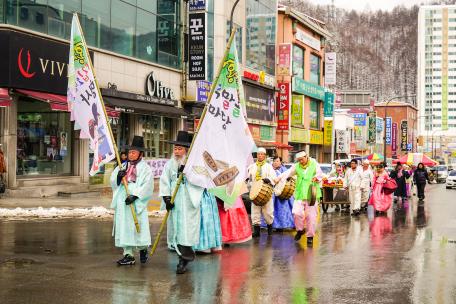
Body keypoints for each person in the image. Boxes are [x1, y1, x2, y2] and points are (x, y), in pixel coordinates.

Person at [159, 131, 205, 274]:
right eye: (175, 149)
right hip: (175, 199)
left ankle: (184, 258)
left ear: (186, 150)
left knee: (186, 230)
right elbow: (164, 181)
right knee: (177, 229)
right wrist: (166, 198)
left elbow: (200, 181)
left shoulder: (194, 164)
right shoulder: (169, 164)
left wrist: (187, 175)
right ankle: (183, 256)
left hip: (188, 200)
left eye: (180, 149)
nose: (177, 152)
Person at [110, 136, 153, 266]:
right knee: (124, 226)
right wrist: (118, 177)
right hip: (123, 198)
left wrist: (135, 195)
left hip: (136, 200)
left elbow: (148, 185)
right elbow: (113, 181)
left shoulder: (145, 168)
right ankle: (128, 254)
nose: (130, 154)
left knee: (138, 225)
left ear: (140, 154)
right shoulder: (122, 166)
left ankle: (142, 248)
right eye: (129, 152)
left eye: (134, 152)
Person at [276, 151, 323, 245]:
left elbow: (320, 174)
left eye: (302, 159)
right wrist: (279, 178)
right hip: (300, 194)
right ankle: (300, 230)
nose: (301, 161)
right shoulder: (296, 166)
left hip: (311, 194)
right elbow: (288, 173)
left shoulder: (314, 163)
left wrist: (316, 178)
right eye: (299, 160)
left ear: (306, 156)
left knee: (311, 216)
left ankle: (310, 236)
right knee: (296, 213)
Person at [247, 147, 276, 237]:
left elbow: (274, 178)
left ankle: (270, 228)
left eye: (262, 154)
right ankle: (256, 231)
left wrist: (269, 180)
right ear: (257, 155)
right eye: (259, 154)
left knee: (268, 212)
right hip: (255, 193)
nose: (260, 155)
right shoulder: (252, 167)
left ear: (265, 156)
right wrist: (249, 182)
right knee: (255, 212)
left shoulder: (268, 167)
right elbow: (249, 179)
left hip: (266, 193)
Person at [261, 156, 294, 231]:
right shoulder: (269, 169)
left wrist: (288, 178)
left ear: (280, 162)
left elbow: (289, 176)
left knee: (282, 210)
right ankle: (270, 224)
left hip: (282, 192)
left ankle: (282, 226)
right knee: (270, 209)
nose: (275, 163)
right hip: (272, 192)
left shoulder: (284, 169)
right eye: (274, 161)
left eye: (277, 161)